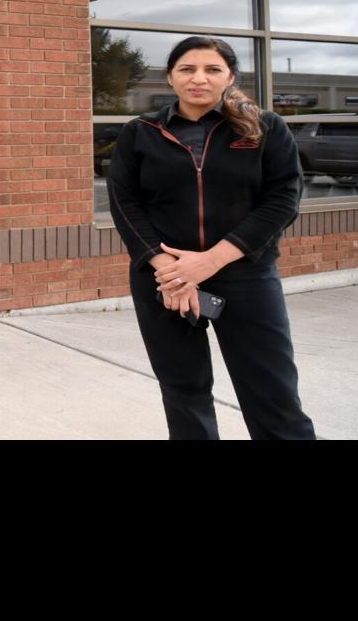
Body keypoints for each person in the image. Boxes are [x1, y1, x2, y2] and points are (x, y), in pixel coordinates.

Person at [106, 36, 315, 440]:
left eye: (212, 69)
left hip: (245, 276)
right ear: (170, 77)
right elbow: (124, 203)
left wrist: (210, 261)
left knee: (272, 391)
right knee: (183, 390)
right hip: (163, 280)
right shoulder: (140, 132)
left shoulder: (265, 127)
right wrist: (170, 270)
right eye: (187, 69)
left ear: (230, 77)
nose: (198, 78)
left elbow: (282, 200)